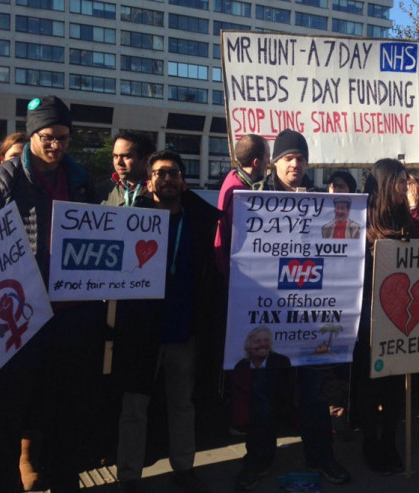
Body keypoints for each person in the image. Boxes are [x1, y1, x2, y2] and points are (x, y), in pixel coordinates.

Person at [0, 95, 97, 492]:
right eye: (48, 137)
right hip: (16, 314)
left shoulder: (81, 180)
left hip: (69, 314)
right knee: (9, 409)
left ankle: (64, 479)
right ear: (32, 135)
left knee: (66, 406)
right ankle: (3, 482)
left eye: (63, 137)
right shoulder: (0, 181)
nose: (56, 145)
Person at [238, 129, 351, 489]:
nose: (295, 164)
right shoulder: (255, 198)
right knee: (263, 393)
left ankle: (321, 457)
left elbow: (340, 248)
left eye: (301, 158)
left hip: (310, 317)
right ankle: (258, 459)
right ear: (274, 162)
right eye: (288, 158)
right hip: (267, 314)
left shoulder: (320, 199)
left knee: (314, 393)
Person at [113, 150, 220, 493]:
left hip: (182, 328)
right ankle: (129, 476)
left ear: (183, 181)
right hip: (140, 329)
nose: (168, 179)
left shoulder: (199, 220)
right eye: (160, 173)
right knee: (134, 407)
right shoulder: (132, 220)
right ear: (149, 182)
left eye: (173, 173)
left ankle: (184, 468)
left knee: (181, 405)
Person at [353, 158, 412, 474]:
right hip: (367, 313)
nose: (407, 188)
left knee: (393, 381)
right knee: (370, 380)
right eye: (402, 182)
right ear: (388, 183)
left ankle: (389, 437)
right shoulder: (360, 219)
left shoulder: (403, 218)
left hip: (398, 311)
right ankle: (369, 440)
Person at [230, 326, 293, 488]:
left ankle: (259, 462)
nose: (262, 344)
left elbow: (285, 394)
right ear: (249, 345)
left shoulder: (281, 362)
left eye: (266, 341)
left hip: (274, 412)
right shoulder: (241, 366)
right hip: (249, 414)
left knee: (264, 409)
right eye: (258, 341)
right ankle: (255, 461)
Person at [214, 134, 270, 279]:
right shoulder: (238, 193)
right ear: (256, 162)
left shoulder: (233, 176)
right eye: (267, 157)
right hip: (235, 272)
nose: (269, 162)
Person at [96, 131, 155, 206]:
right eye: (115, 156)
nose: (119, 162)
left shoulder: (159, 190)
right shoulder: (104, 189)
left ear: (146, 159)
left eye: (126, 156)